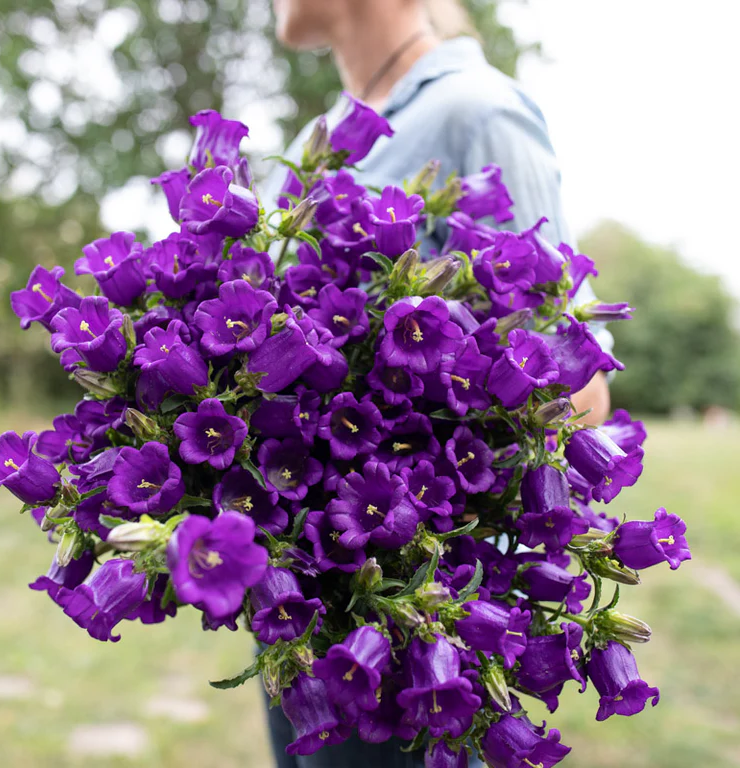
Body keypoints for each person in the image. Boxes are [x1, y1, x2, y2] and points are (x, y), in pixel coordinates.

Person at [261, 1, 613, 765]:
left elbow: (578, 384)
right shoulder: (314, 143)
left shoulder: (477, 110)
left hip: (417, 640)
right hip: (302, 617)